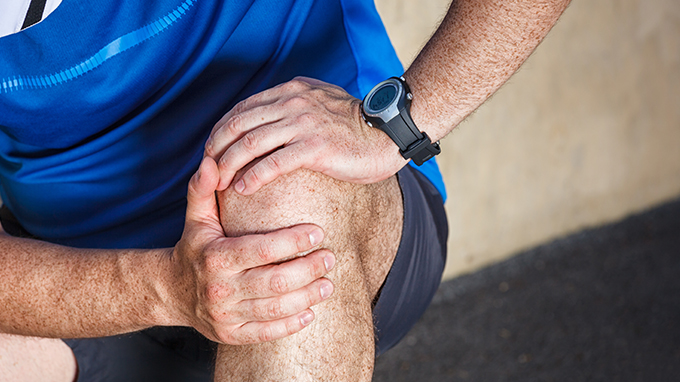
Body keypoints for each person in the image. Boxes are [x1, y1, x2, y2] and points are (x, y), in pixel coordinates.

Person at [0, 0, 571, 381]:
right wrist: (167, 287)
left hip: (330, 230)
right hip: (87, 282)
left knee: (278, 184)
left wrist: (397, 123)